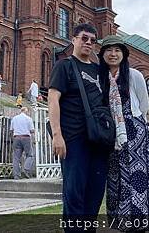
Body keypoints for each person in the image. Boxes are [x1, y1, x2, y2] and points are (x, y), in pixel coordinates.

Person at [48, 23, 109, 232]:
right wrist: (57, 135)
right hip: (73, 139)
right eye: (84, 38)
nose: (89, 43)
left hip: (98, 141)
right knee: (74, 194)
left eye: (92, 40)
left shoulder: (99, 70)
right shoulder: (64, 66)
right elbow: (53, 100)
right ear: (73, 39)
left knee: (95, 192)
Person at [99, 35, 149, 231]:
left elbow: (144, 103)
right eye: (109, 50)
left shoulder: (134, 75)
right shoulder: (100, 78)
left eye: (117, 50)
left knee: (136, 174)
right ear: (102, 54)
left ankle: (138, 222)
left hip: (135, 130)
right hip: (111, 133)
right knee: (114, 175)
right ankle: (118, 222)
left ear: (124, 54)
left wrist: (133, 124)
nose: (113, 54)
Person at [10, 106, 34, 179]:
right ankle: (26, 169)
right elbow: (32, 130)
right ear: (26, 111)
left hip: (16, 138)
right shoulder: (29, 119)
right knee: (30, 155)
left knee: (16, 158)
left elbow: (11, 130)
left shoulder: (14, 118)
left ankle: (16, 175)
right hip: (26, 138)